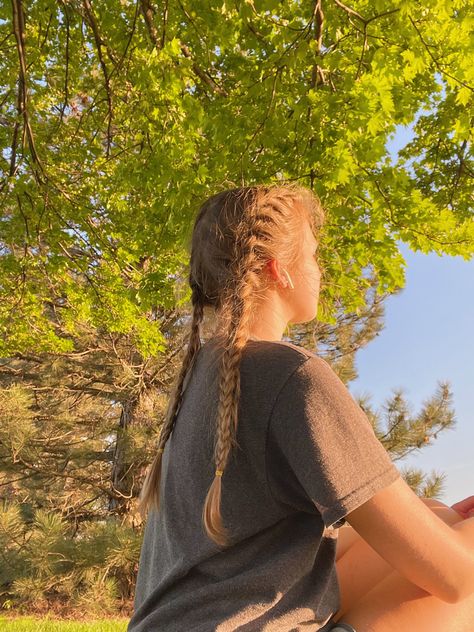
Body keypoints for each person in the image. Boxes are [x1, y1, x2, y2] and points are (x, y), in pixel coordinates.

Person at [127, 184, 474, 631]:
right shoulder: (293, 376)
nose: (320, 270)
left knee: (435, 515)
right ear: (281, 270)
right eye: (312, 255)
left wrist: (446, 522)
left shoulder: (203, 372)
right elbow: (457, 579)